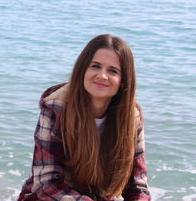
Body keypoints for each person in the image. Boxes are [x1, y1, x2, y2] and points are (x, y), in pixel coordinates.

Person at [18, 34, 151, 201]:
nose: (102, 76)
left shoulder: (131, 118)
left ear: (124, 80)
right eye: (95, 66)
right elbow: (47, 183)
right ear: (82, 69)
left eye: (113, 71)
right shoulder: (56, 108)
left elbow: (138, 186)